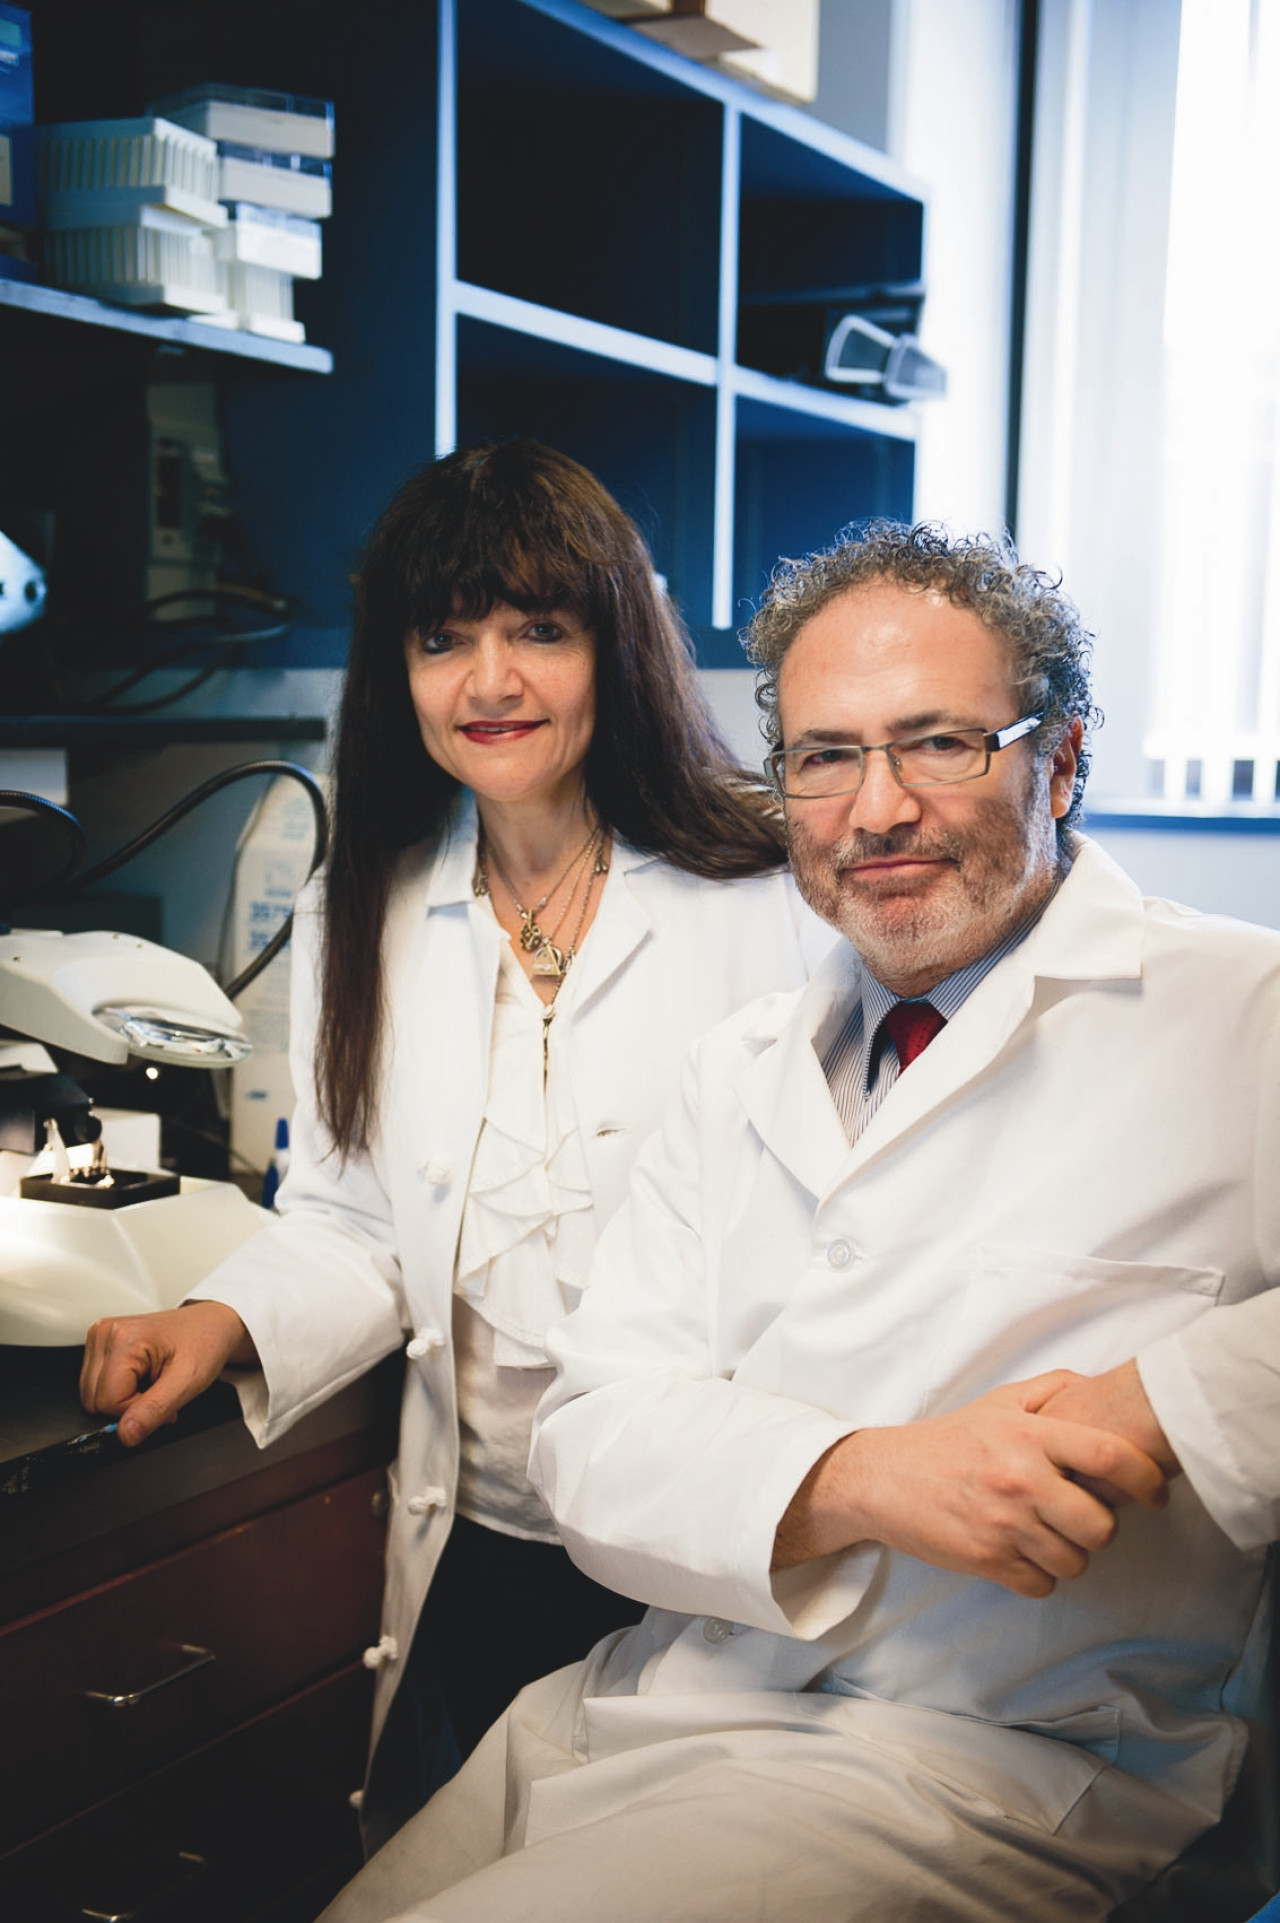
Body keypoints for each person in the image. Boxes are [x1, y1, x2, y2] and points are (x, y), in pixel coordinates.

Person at [316, 521, 1280, 1922]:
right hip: (647, 1704)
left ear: (1063, 760)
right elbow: (590, 1443)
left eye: (942, 744)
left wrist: (1162, 1403)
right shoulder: (749, 1062)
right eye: (827, 758)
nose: (875, 810)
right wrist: (872, 1479)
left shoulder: (1237, 1015)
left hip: (986, 1768)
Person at [77, 440, 832, 1853]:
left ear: (617, 644)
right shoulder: (361, 908)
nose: (490, 682)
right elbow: (352, 1219)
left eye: (538, 629)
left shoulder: (767, 885)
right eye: (445, 640)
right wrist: (224, 1312)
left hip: (714, 1542)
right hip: (486, 1543)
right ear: (399, 672)